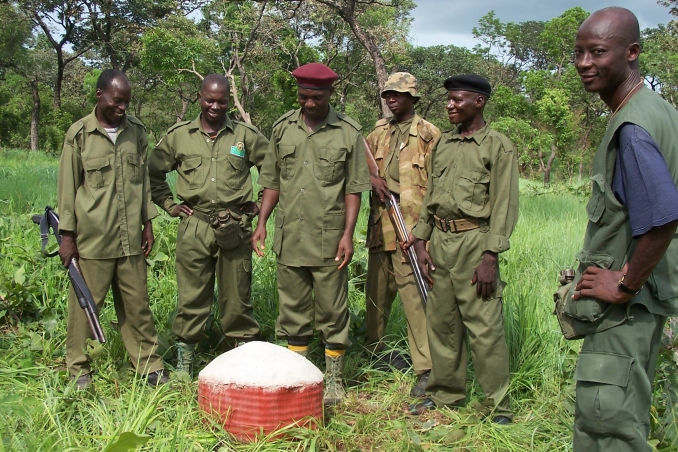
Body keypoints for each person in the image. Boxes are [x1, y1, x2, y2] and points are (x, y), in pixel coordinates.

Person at [564, 8, 678, 451]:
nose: (584, 63)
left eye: (597, 52)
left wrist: (625, 284)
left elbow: (664, 214)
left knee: (607, 424)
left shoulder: (632, 126)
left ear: (631, 53)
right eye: (578, 53)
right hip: (645, 304)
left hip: (627, 310)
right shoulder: (660, 111)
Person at [251, 62, 371, 406]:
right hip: (290, 235)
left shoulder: (348, 132)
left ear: (330, 94)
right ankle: (297, 375)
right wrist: (262, 223)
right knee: (291, 310)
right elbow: (272, 181)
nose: (309, 104)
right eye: (303, 97)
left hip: (329, 237)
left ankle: (333, 380)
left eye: (316, 98)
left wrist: (348, 234)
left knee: (333, 310)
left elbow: (353, 189)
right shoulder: (282, 128)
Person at [405, 74, 519, 424]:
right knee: (441, 323)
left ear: (479, 102)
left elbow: (504, 204)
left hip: (475, 243)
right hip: (440, 242)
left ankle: (498, 405)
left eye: (457, 100)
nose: (449, 105)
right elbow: (431, 197)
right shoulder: (444, 144)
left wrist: (490, 257)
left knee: (484, 327)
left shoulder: (498, 146)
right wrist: (422, 241)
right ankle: (445, 393)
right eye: (449, 100)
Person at [148, 74, 269, 377]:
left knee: (237, 298)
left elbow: (274, 167)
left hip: (236, 227)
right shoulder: (180, 136)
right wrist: (170, 205)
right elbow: (152, 171)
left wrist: (259, 201)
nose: (216, 106)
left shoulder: (245, 135)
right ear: (199, 97)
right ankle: (185, 363)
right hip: (195, 225)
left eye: (222, 100)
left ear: (230, 99)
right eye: (210, 100)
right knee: (191, 297)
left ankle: (241, 364)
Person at [57, 68, 168, 390]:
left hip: (131, 236)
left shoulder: (136, 132)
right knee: (85, 307)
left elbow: (143, 183)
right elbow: (67, 188)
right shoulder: (79, 135)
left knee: (138, 305)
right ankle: (78, 368)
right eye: (117, 101)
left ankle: (149, 365)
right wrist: (67, 236)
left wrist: (148, 223)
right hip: (93, 238)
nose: (122, 108)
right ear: (100, 95)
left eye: (127, 102)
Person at [363, 72, 439, 396]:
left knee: (415, 300)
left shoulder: (428, 134)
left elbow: (439, 184)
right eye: (388, 94)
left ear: (412, 98)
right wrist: (372, 179)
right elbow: (358, 163)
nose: (392, 99)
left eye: (398, 94)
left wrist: (426, 232)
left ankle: (426, 369)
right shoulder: (379, 132)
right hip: (382, 226)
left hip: (412, 230)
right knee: (376, 297)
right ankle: (373, 355)